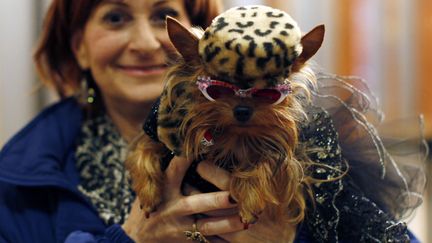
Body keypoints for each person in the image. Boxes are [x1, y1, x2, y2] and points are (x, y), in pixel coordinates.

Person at [0, 1, 425, 243]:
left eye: (162, 13)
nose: (148, 43)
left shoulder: (309, 149)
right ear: (79, 48)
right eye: (115, 16)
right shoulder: (21, 181)